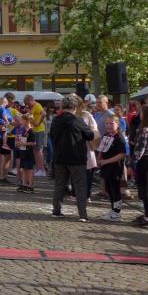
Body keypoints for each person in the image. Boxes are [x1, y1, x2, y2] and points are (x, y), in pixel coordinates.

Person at [50, 94, 96, 222]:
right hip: (76, 158)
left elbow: (52, 135)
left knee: (59, 185)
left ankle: (56, 211)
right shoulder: (77, 120)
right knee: (80, 186)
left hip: (59, 157)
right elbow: (90, 135)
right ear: (74, 107)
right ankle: (82, 215)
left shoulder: (55, 120)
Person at [98, 116, 126, 221]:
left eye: (111, 123)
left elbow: (121, 155)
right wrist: (99, 159)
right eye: (107, 123)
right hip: (106, 167)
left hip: (115, 168)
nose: (109, 126)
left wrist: (106, 161)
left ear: (117, 124)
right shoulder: (106, 135)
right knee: (108, 189)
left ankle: (117, 212)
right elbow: (102, 149)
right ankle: (113, 209)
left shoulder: (119, 138)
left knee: (115, 190)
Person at [24, 95, 47, 176]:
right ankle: (38, 169)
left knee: (38, 150)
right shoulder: (32, 107)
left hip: (39, 130)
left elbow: (44, 114)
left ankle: (42, 170)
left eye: (27, 103)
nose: (27, 104)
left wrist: (38, 123)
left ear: (31, 100)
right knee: (35, 150)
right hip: (35, 130)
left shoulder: (37, 105)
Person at [16, 114, 36, 192]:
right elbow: (19, 138)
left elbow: (33, 143)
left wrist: (23, 143)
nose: (21, 121)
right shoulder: (22, 129)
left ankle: (30, 185)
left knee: (29, 169)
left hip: (28, 152)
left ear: (27, 120)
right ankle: (24, 184)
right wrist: (17, 142)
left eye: (22, 120)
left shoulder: (31, 131)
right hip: (22, 151)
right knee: (24, 168)